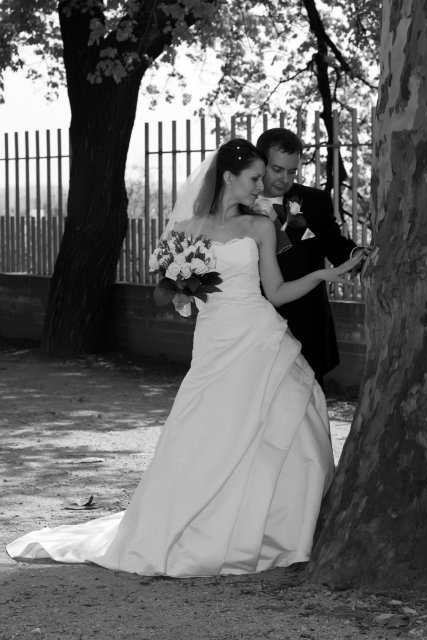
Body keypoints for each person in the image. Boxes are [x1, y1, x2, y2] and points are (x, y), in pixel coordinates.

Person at [7, 139, 362, 578]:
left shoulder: (261, 226)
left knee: (293, 417)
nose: (262, 187)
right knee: (209, 424)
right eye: (255, 178)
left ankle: (277, 527)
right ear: (229, 177)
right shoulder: (188, 229)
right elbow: (175, 292)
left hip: (260, 334)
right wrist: (181, 293)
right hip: (215, 340)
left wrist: (323, 273)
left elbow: (275, 292)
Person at [255, 128, 368, 389]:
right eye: (277, 169)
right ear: (260, 163)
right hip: (256, 327)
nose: (285, 179)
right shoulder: (237, 206)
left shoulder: (315, 202)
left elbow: (335, 245)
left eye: (292, 171)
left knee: (309, 404)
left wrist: (357, 256)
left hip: (306, 325)